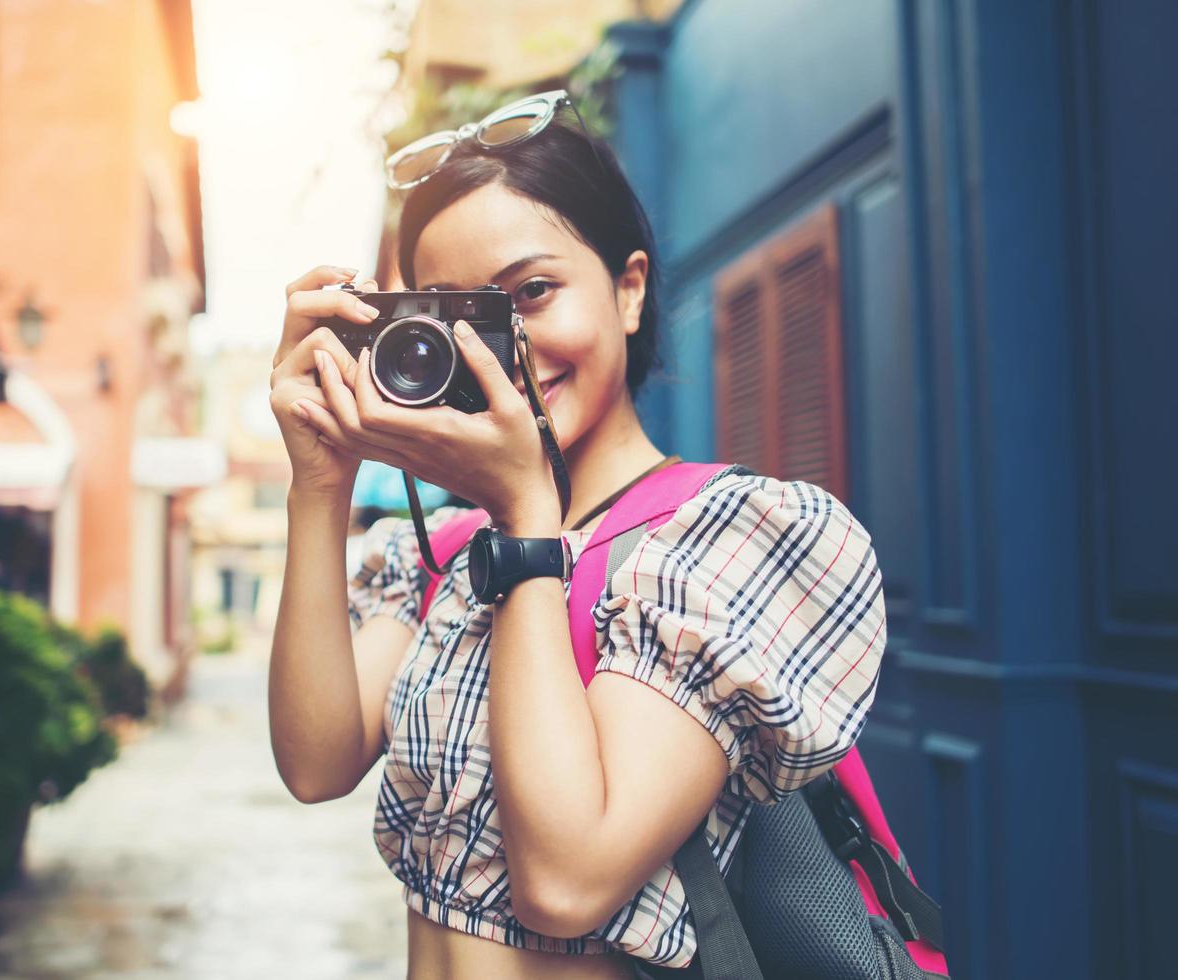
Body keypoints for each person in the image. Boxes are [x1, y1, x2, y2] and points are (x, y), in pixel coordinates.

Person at [267, 98, 886, 979]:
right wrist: (318, 482)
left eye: (531, 293)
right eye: (462, 316)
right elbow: (316, 761)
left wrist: (528, 521)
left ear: (628, 289)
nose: (504, 350)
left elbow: (565, 882)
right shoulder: (438, 552)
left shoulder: (724, 543)